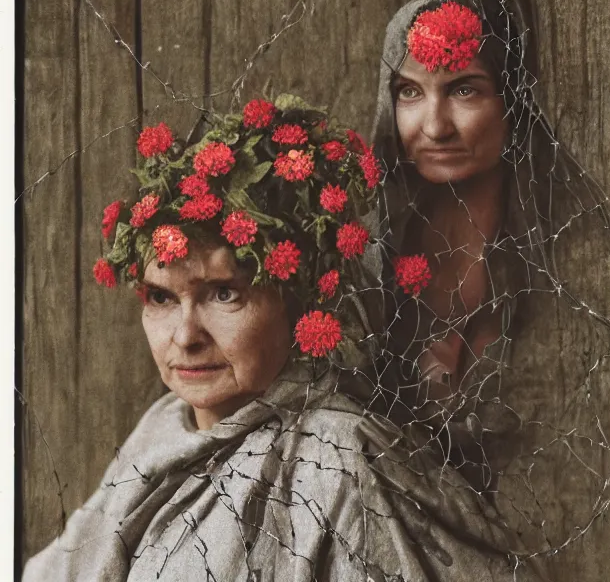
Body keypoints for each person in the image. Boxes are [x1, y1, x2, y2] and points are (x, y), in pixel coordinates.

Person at [23, 95, 541, 581]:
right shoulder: (162, 428)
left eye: (224, 294)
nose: (185, 336)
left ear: (297, 303)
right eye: (161, 298)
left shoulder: (334, 461)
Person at [369, 0, 610, 573]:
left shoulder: (570, 257)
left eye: (463, 90)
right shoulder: (374, 253)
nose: (433, 126)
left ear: (512, 97)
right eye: (409, 92)